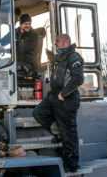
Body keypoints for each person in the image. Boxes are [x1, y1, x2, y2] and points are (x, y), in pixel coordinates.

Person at [33, 34, 84, 172]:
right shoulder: (61, 57)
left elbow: (78, 78)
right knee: (39, 113)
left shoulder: (74, 58)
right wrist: (50, 57)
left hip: (67, 99)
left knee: (69, 132)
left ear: (66, 42)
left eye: (57, 42)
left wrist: (64, 93)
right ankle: (59, 134)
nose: (55, 44)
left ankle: (71, 165)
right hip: (54, 97)